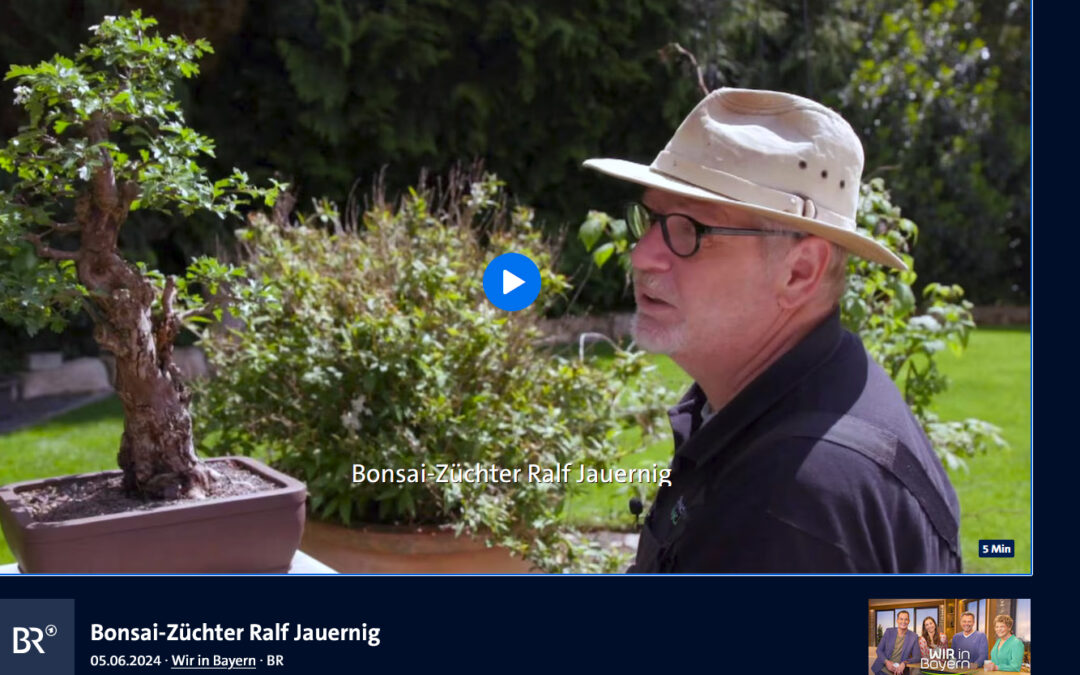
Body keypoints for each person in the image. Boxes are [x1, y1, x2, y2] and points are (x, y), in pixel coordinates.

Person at [583, 87, 962, 572]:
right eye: (651, 221)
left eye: (690, 230)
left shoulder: (794, 494)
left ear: (799, 271)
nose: (641, 256)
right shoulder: (778, 404)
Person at [871, 611, 919, 675]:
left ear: (909, 621)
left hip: (900, 672)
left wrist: (904, 663)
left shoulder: (914, 636)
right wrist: (886, 662)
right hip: (882, 669)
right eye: (901, 619)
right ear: (897, 620)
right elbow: (879, 650)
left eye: (906, 619)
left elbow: (917, 657)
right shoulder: (889, 632)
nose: (903, 622)